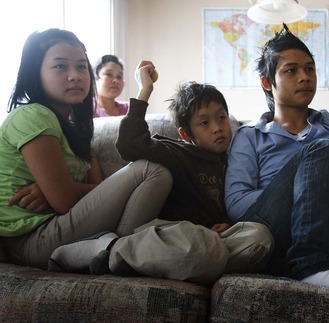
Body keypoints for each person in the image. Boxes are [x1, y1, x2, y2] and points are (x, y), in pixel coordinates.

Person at [50, 62, 274, 284]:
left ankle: (186, 263)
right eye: (204, 123)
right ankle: (109, 249)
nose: (217, 127)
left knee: (259, 238)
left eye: (222, 117)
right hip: (171, 234)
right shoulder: (176, 151)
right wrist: (145, 90)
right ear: (186, 134)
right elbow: (129, 144)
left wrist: (223, 225)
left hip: (212, 240)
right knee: (202, 247)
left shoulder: (236, 157)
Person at [224, 24, 329, 294]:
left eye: (309, 69)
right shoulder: (249, 136)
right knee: (324, 149)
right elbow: (236, 204)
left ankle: (304, 265)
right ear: (268, 83)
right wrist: (314, 191)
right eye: (291, 71)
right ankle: (311, 266)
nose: (304, 77)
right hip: (272, 228)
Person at [0, 29, 172, 271]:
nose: (75, 76)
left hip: (60, 229)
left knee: (159, 174)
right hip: (31, 240)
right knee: (150, 171)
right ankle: (119, 252)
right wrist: (60, 191)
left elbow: (96, 192)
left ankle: (112, 252)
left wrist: (54, 189)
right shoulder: (33, 115)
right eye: (60, 67)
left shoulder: (75, 131)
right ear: (35, 73)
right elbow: (66, 202)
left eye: (81, 67)